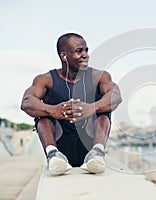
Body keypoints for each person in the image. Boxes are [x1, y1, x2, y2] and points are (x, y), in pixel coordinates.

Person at [21, 33, 122, 175]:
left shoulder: (99, 76)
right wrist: (52, 110)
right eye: (79, 51)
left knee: (104, 111)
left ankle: (97, 154)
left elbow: (116, 95)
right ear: (64, 56)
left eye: (86, 50)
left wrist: (92, 107)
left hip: (88, 144)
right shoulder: (46, 79)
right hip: (61, 144)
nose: (85, 55)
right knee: (42, 115)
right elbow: (27, 101)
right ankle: (53, 155)